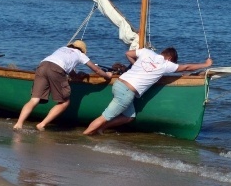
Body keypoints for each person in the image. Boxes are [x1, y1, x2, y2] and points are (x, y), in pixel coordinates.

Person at [83, 47, 212, 135]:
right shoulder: (165, 65)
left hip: (118, 84)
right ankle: (85, 135)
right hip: (127, 92)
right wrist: (205, 65)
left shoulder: (146, 52)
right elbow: (187, 67)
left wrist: (135, 65)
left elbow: (128, 53)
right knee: (105, 116)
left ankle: (101, 129)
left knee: (129, 117)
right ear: (170, 59)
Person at [13, 40, 112, 131]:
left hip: (42, 66)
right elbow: (96, 70)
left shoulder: (62, 49)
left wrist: (76, 76)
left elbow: (67, 67)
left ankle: (18, 124)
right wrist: (107, 76)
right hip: (56, 69)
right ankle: (42, 124)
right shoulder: (80, 55)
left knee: (34, 99)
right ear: (82, 50)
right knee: (64, 102)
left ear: (71, 46)